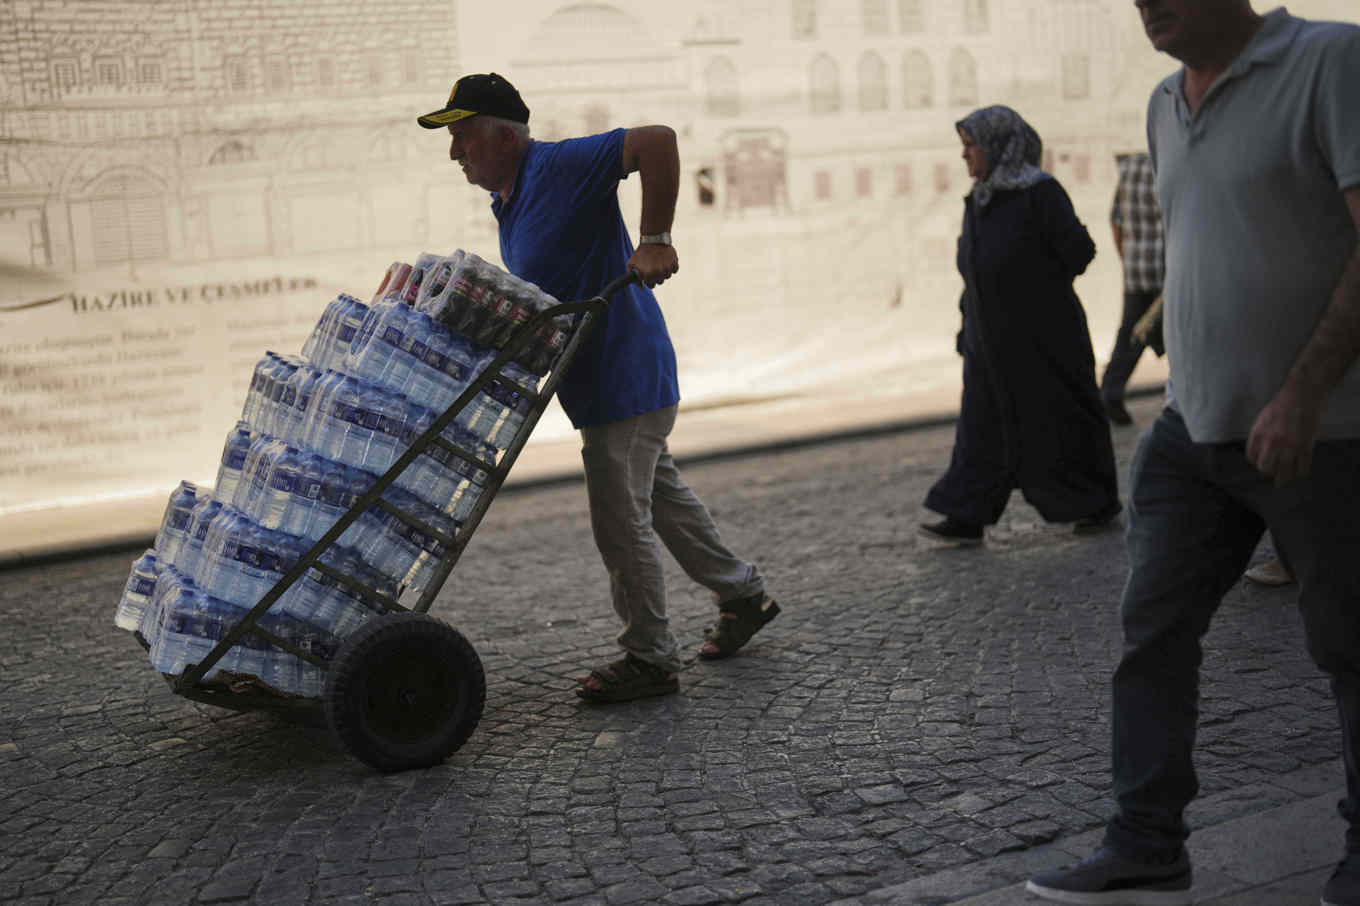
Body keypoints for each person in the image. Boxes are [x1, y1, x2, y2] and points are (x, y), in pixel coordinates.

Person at [1027, 2, 1360, 904]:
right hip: (1190, 432)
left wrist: (1303, 391)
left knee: (1350, 650)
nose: (1148, 6)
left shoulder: (1331, 62)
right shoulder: (1164, 103)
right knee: (1153, 635)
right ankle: (1145, 843)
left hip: (1324, 432)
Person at [416, 74, 779, 704]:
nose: (455, 153)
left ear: (505, 136)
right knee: (661, 497)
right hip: (603, 381)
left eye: (463, 137)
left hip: (625, 372)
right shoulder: (513, 197)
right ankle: (744, 594)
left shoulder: (559, 163)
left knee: (619, 517)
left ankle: (649, 657)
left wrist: (655, 240)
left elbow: (657, 142)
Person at [920, 105, 1122, 547]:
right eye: (964, 147)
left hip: (1044, 339)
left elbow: (1079, 253)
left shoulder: (1041, 193)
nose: (965, 156)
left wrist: (1031, 284)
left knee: (1060, 421)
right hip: (988, 341)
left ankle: (1095, 502)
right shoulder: (980, 199)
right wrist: (967, 326)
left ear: (997, 146)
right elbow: (973, 270)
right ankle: (966, 512)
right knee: (982, 427)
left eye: (971, 146)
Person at [1102, 150, 1165, 426]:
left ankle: (1110, 392)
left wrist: (1126, 258)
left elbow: (1115, 221)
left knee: (1129, 334)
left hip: (1136, 269)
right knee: (1181, 333)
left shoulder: (1129, 172)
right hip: (1167, 269)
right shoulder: (1168, 167)